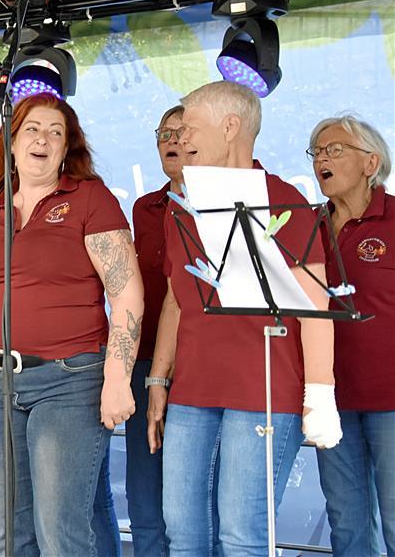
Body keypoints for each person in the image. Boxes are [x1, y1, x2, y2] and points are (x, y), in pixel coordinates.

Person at [145, 81, 340, 556]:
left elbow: (315, 306)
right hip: (193, 390)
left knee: (242, 534)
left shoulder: (284, 198)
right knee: (182, 531)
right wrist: (158, 377)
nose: (178, 136)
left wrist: (320, 395)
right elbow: (175, 298)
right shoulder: (181, 205)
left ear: (230, 126)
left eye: (189, 125)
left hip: (263, 391)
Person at [0, 92, 144, 557]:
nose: (43, 139)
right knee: (9, 539)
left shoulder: (89, 199)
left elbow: (127, 294)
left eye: (56, 133)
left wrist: (117, 378)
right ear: (11, 143)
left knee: (61, 536)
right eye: (33, 129)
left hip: (69, 381)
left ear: (66, 149)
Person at [308, 115, 394, 555]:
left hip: (391, 401)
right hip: (330, 400)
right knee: (346, 521)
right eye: (317, 151)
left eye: (334, 149)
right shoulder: (305, 226)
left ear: (370, 162)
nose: (321, 157)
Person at [126, 105, 185, 556]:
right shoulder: (145, 208)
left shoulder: (231, 202)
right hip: (144, 360)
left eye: (182, 132)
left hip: (203, 366)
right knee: (145, 497)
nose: (172, 139)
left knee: (194, 507)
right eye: (163, 131)